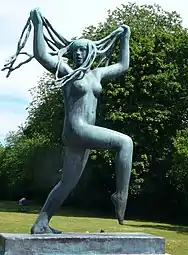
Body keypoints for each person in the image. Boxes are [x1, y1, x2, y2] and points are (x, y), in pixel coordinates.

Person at [29, 8, 133, 234]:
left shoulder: (96, 75)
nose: (78, 54)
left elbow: (122, 66)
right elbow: (42, 55)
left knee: (67, 183)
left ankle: (41, 223)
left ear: (90, 52)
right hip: (77, 129)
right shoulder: (67, 71)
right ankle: (120, 196)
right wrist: (37, 25)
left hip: (83, 136)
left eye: (83, 50)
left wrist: (125, 38)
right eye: (75, 50)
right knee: (125, 143)